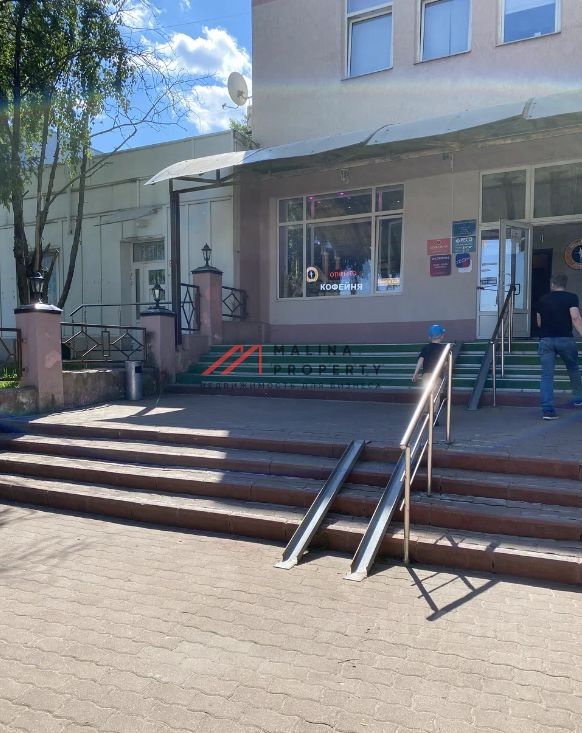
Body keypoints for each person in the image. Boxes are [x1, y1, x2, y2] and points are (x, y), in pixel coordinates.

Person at [536, 274, 582, 420]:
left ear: (552, 284)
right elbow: (575, 318)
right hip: (565, 339)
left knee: (547, 375)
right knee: (573, 368)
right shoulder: (571, 297)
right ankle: (578, 398)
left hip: (546, 340)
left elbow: (539, 323)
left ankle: (548, 410)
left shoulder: (542, 299)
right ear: (564, 284)